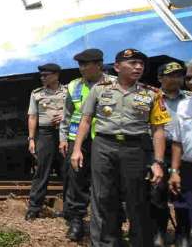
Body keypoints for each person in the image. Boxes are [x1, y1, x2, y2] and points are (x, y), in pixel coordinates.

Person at [71, 48, 169, 246]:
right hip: (104, 145)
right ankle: (105, 243)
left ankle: (139, 242)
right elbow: (86, 120)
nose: (138, 67)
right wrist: (77, 149)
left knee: (137, 198)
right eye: (132, 63)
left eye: (141, 64)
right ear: (117, 67)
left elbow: (158, 130)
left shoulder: (153, 94)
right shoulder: (100, 89)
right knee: (103, 196)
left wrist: (158, 162)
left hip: (135, 148)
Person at [59, 48, 115, 241]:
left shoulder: (114, 84)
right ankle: (76, 221)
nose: (81, 68)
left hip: (105, 138)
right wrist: (63, 138)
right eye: (79, 65)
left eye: (85, 64)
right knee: (76, 180)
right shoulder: (73, 85)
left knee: (108, 182)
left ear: (99, 65)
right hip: (78, 140)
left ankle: (108, 223)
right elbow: (66, 115)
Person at [152, 61, 191, 247]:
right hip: (158, 150)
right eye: (171, 75)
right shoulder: (152, 97)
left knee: (182, 193)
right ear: (160, 78)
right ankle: (159, 231)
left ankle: (182, 233)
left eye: (179, 75)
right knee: (157, 193)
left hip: (184, 150)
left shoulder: (191, 98)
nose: (176, 79)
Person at [168, 56, 192, 247]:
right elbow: (177, 142)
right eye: (188, 78)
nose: (191, 82)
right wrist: (174, 171)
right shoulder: (185, 105)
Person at [25, 63, 67, 220]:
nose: (42, 78)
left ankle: (69, 209)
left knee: (67, 171)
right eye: (41, 76)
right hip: (45, 134)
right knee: (42, 170)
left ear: (56, 75)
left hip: (64, 133)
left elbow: (78, 110)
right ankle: (34, 207)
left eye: (46, 75)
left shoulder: (68, 92)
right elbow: (33, 116)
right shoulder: (36, 94)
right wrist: (31, 139)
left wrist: (65, 115)